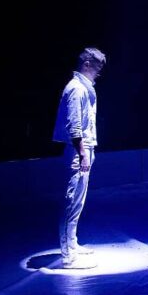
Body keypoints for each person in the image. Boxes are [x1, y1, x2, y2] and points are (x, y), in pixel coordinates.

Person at [52, 47, 106, 269]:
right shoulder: (76, 88)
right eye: (97, 66)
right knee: (71, 200)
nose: (100, 71)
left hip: (84, 149)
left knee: (78, 201)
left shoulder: (84, 88)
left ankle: (72, 244)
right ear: (86, 64)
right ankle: (68, 256)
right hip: (78, 151)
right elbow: (74, 125)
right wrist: (83, 153)